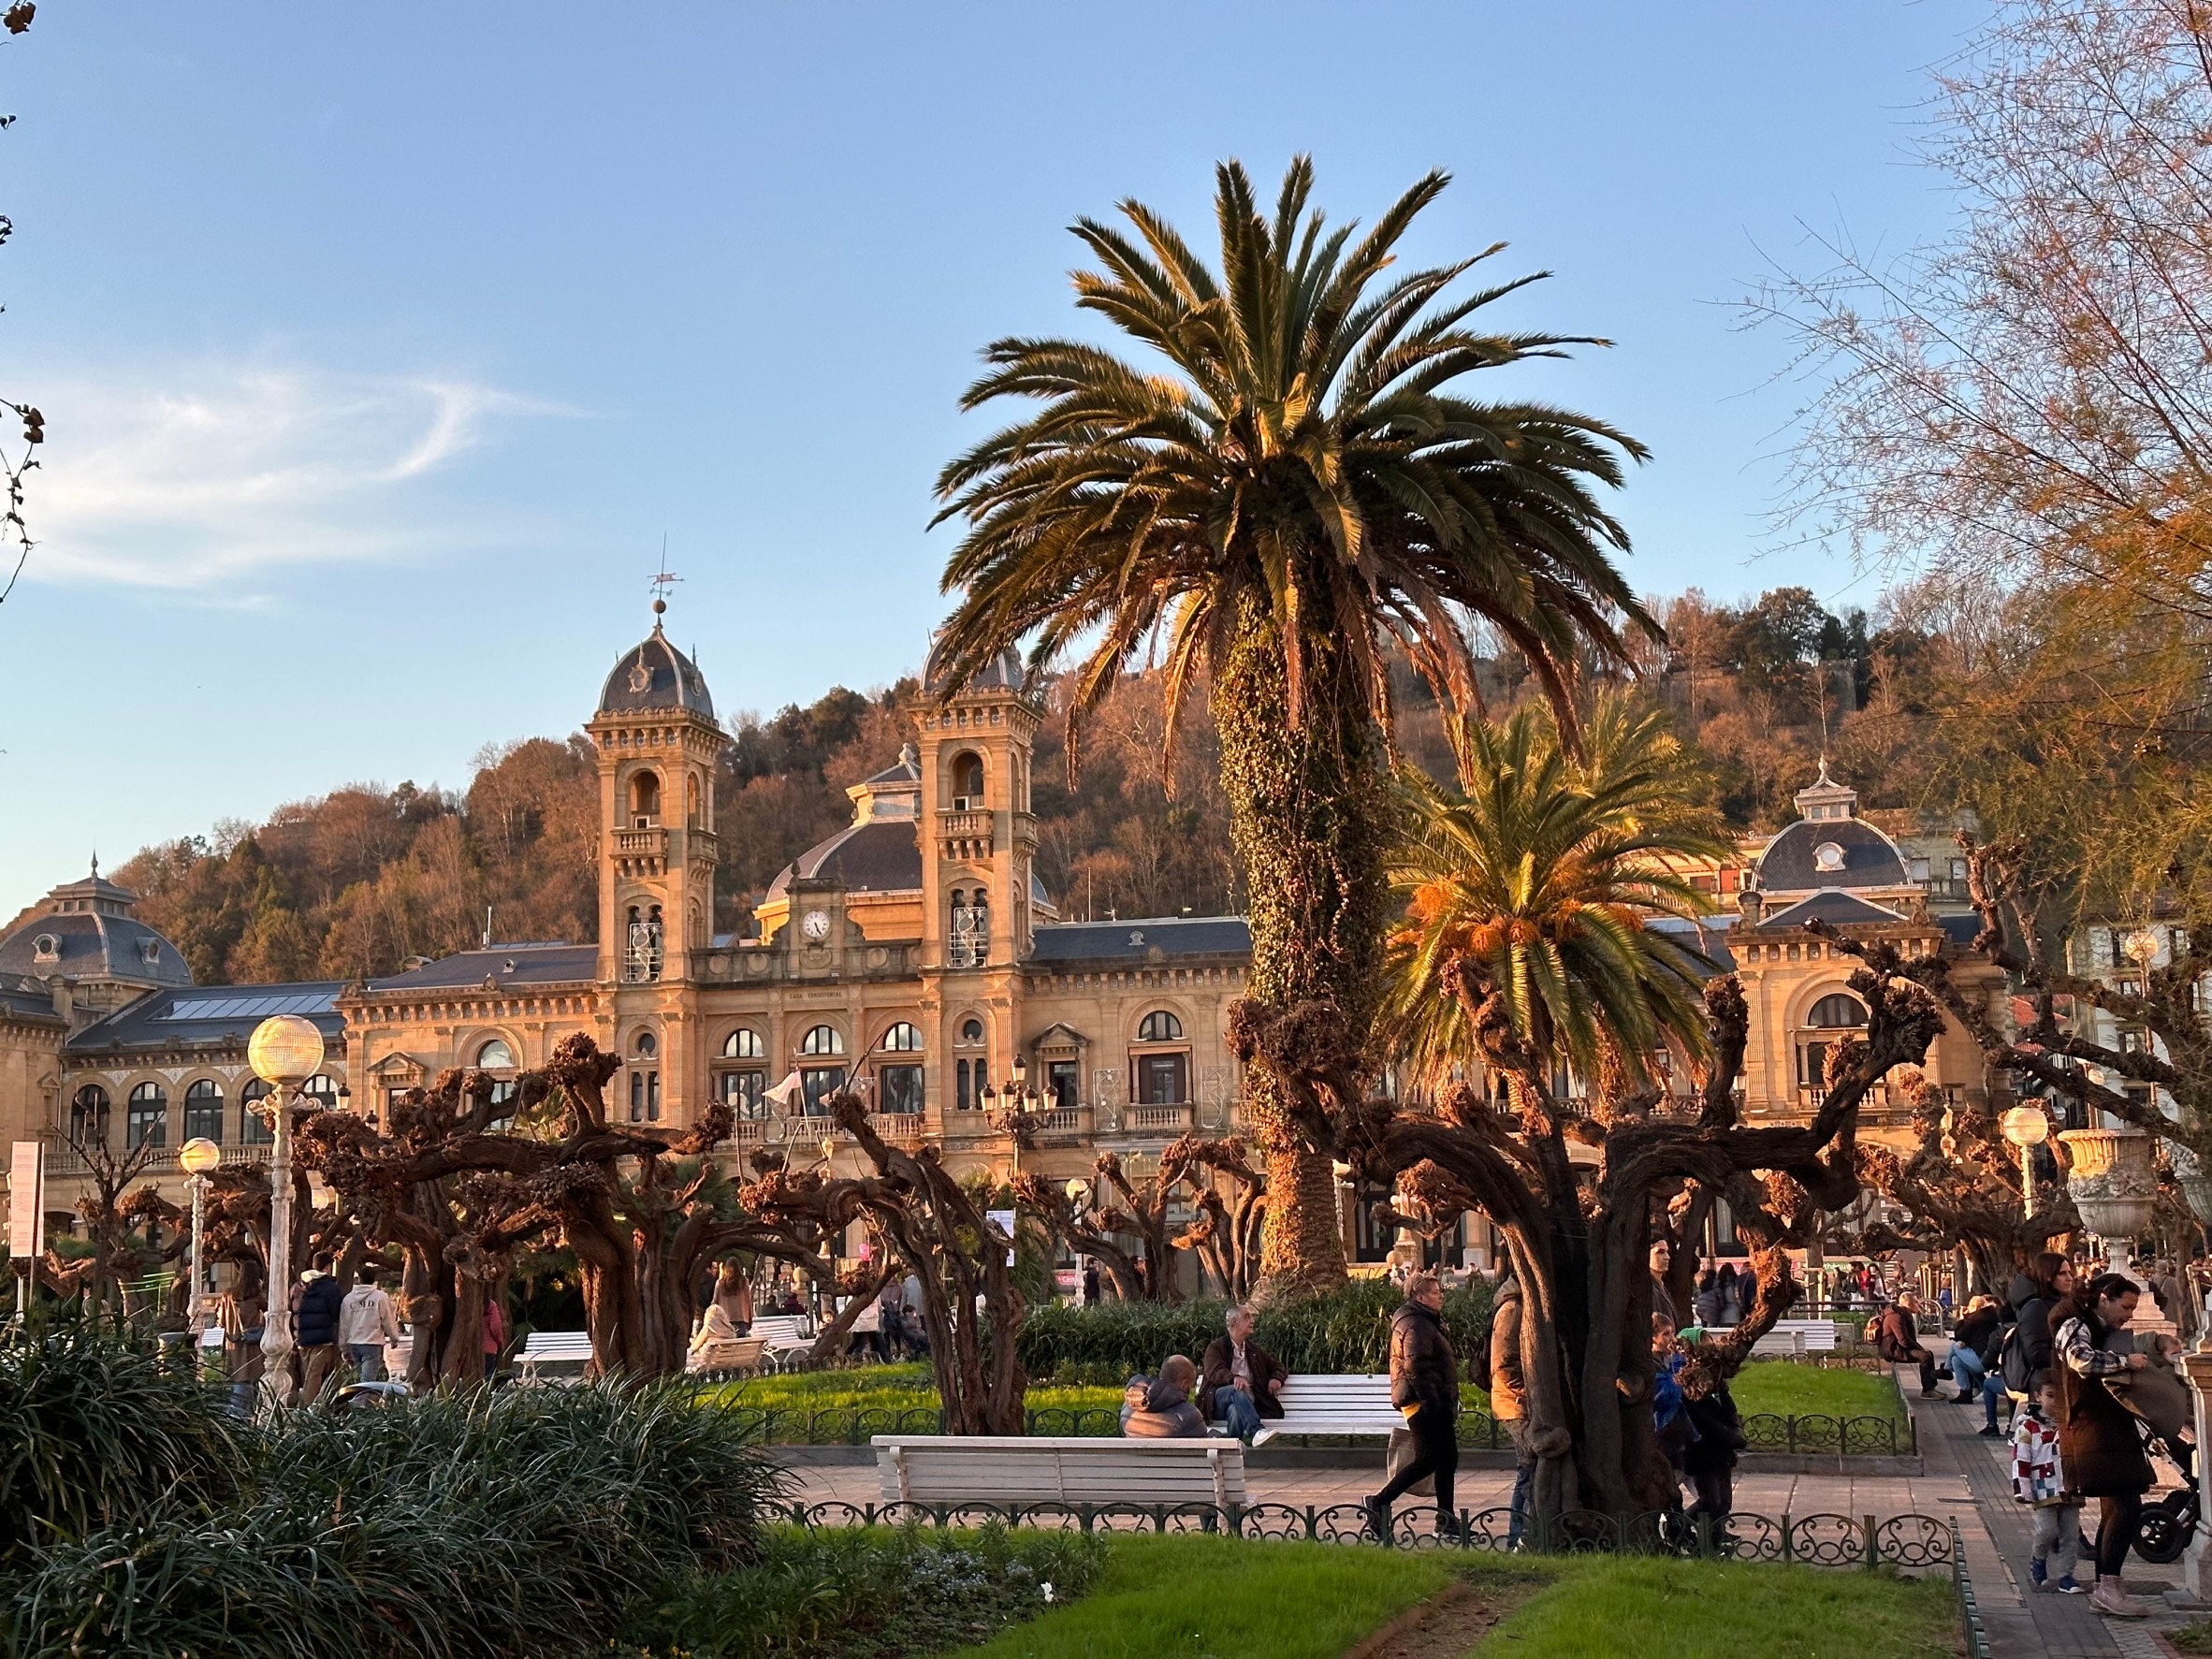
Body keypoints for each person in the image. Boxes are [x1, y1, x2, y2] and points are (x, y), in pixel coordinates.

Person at [2055, 1271, 2156, 1618]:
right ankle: (2107, 1587)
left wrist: (2156, 1344)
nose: (2129, 1313)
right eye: (2125, 1306)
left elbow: (2123, 1343)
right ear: (2104, 1298)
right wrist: (2125, 1363)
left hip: (2107, 1427)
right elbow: (2081, 1360)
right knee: (2125, 1506)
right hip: (2091, 1429)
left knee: (2117, 1508)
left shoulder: (2103, 1328)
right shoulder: (2075, 1324)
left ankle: (2106, 1587)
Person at [1365, 1273, 1461, 1541]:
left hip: (1431, 1400)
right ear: (1420, 1297)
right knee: (1429, 1459)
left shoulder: (1425, 1321)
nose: (1440, 1295)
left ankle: (1447, 1522)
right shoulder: (1416, 1324)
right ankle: (1379, 1501)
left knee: (1446, 1459)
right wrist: (1433, 1403)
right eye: (1434, 1292)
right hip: (1423, 1402)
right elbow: (1416, 1366)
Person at [2012, 1369, 2084, 1594]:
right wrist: (2022, 1488)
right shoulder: (2028, 1428)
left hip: (2071, 1485)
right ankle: (2038, 1561)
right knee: (2047, 1531)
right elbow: (2020, 1459)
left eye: (2060, 1396)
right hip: (2044, 1487)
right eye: (2050, 1395)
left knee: (2071, 1534)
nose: (2055, 1401)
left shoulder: (2072, 1424)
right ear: (2038, 1396)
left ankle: (2066, 1576)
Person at [1490, 1273, 1535, 1548]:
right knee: (1527, 1467)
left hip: (1519, 1401)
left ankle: (1521, 1534)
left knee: (1529, 1468)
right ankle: (1516, 1537)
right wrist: (1529, 1394)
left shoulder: (1522, 1305)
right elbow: (1504, 1364)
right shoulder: (1511, 1310)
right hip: (1514, 1403)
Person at [1680, 1330, 1744, 1524]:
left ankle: (1717, 1537)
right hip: (1703, 1452)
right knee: (1711, 1501)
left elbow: (1728, 1410)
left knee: (1724, 1502)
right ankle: (1682, 1529)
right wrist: (1731, 1438)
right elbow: (1703, 1419)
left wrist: (1734, 1430)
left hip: (1722, 1452)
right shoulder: (1690, 1383)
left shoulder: (1716, 1383)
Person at [1200, 1304, 1286, 1443]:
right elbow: (1214, 1371)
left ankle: (1234, 1449)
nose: (1252, 1321)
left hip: (1246, 1404)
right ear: (1234, 1322)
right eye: (1247, 1317)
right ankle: (1256, 1431)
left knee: (1234, 1411)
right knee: (1237, 1391)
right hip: (1218, 1401)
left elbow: (1277, 1366)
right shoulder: (1216, 1347)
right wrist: (1234, 1378)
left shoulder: (1254, 1350)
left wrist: (1276, 1378)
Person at [290, 1252, 346, 1404]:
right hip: (323, 1339)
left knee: (310, 1374)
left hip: (302, 1339)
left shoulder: (297, 1287)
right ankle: (311, 1410)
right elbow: (335, 1314)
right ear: (328, 1267)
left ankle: (313, 1406)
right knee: (315, 1376)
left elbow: (291, 1311)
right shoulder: (330, 1288)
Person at [1948, 1293, 2008, 1433]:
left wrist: (1963, 1318)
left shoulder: (1975, 1319)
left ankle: (1946, 1369)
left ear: (1973, 1307)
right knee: (1957, 1360)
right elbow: (1972, 1336)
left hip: (1984, 1360)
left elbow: (1959, 1334)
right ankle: (1965, 1392)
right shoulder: (1990, 1318)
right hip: (1989, 1359)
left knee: (1954, 1347)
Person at [338, 1264, 403, 1383]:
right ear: (374, 1279)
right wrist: (394, 1338)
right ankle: (361, 1401)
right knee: (367, 1380)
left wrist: (343, 1347)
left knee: (359, 1379)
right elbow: (387, 1319)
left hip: (354, 1343)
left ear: (360, 1279)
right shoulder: (380, 1297)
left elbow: (345, 1324)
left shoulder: (348, 1299)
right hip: (372, 1343)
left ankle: (359, 1400)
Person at [1870, 1290, 1940, 1397]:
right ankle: (1928, 1391)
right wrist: (1920, 1349)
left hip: (1898, 1347)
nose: (1918, 1305)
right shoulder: (1896, 1316)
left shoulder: (1901, 1313)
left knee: (1928, 1354)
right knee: (1925, 1356)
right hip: (1892, 1350)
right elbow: (1904, 1340)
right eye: (1916, 1302)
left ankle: (1931, 1388)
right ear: (1907, 1303)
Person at [1121, 1354, 1206, 1437]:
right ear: (1184, 1384)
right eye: (1190, 1386)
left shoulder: (1128, 1407)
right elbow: (1204, 1445)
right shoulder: (1190, 1415)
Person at [219, 1270, 267, 1418]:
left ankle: (241, 1413)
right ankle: (236, 1414)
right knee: (249, 1379)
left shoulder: (228, 1294)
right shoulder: (256, 1296)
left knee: (240, 1378)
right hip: (251, 1343)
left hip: (233, 1342)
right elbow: (269, 1311)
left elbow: (221, 1319)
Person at [712, 1260, 753, 1336]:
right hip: (741, 1319)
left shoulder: (720, 1283)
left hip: (724, 1320)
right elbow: (748, 1301)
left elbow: (714, 1302)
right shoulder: (744, 1282)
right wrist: (750, 1319)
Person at [1649, 1240, 1678, 1327]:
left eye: (1666, 1252)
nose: (1667, 1257)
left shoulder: (1661, 1286)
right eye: (1660, 1252)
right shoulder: (1648, 1289)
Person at [482, 1290, 507, 1375]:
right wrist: (499, 1341)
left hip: (469, 1347)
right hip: (488, 1348)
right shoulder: (490, 1305)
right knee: (488, 1376)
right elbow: (495, 1326)